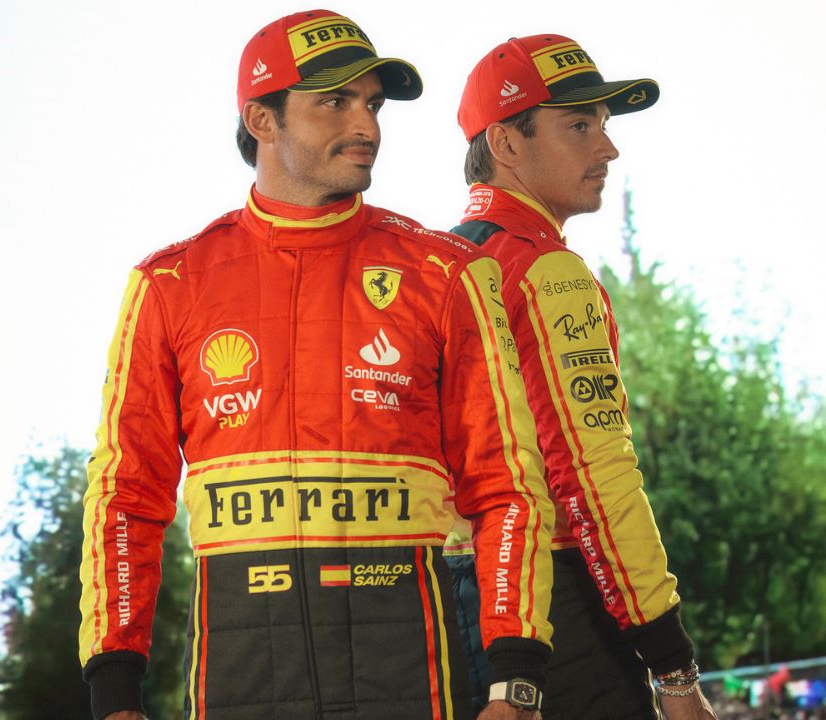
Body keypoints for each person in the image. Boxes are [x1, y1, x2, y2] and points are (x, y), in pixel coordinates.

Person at [76, 11, 555, 719]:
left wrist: (516, 680)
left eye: (372, 103)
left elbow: (508, 486)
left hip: (414, 678)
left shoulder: (446, 275)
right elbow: (126, 496)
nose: (366, 125)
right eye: (335, 101)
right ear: (261, 120)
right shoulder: (170, 283)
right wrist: (114, 689)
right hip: (237, 682)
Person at [444, 34, 719, 720]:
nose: (608, 147)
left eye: (603, 124)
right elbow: (594, 476)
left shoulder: (436, 268)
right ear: (506, 144)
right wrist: (674, 670)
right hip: (551, 599)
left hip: (447, 604)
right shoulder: (548, 272)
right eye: (579, 126)